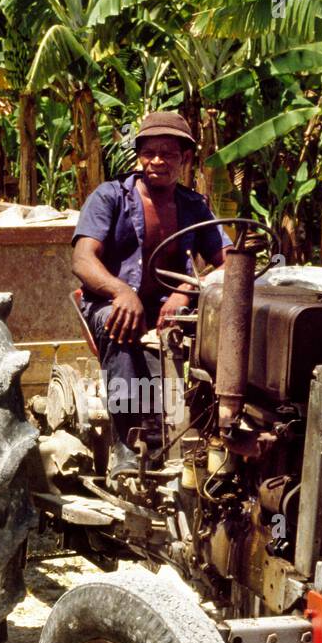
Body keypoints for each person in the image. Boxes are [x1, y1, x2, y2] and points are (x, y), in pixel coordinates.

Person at [71, 111, 230, 477]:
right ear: (139, 156)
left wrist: (188, 290)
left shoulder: (194, 206)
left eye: (169, 154)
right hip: (109, 302)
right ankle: (129, 440)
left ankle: (210, 428)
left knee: (227, 328)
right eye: (150, 153)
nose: (158, 161)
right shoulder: (109, 197)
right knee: (121, 321)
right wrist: (120, 290)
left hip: (172, 309)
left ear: (184, 159)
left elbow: (229, 262)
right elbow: (82, 259)